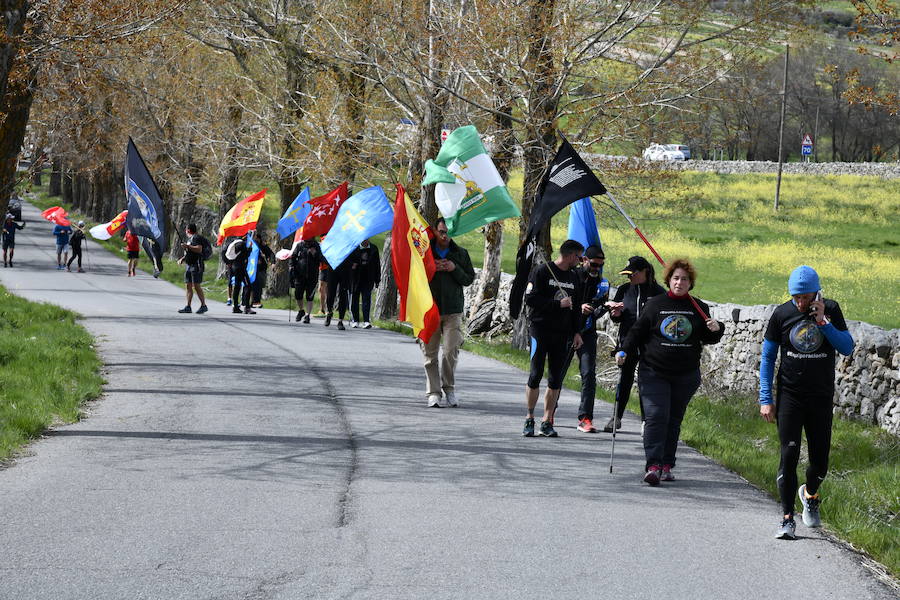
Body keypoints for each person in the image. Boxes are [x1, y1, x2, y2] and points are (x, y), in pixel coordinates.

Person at [759, 265, 854, 540]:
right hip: (790, 395)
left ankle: (810, 494)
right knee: (788, 455)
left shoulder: (831, 309)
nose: (801, 303)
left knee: (819, 462)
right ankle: (787, 519)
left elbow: (847, 347)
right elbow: (767, 358)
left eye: (806, 297)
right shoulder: (781, 314)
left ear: (817, 292)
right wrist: (766, 398)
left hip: (820, 397)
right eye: (796, 297)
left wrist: (823, 321)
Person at [617, 258, 723, 485]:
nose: (679, 282)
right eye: (676, 278)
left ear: (690, 283)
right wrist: (624, 350)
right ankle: (653, 465)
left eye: (684, 279)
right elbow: (636, 332)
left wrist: (717, 329)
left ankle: (667, 464)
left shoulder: (698, 307)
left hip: (685, 375)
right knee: (656, 416)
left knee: (673, 419)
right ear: (668, 280)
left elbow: (710, 338)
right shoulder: (655, 305)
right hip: (654, 371)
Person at [522, 239, 584, 437]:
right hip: (540, 330)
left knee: (555, 379)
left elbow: (576, 308)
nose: (580, 261)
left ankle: (547, 421)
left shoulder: (575, 278)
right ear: (571, 255)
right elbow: (530, 298)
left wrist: (577, 332)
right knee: (535, 374)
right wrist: (557, 304)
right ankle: (529, 417)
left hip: (562, 334)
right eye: (579, 256)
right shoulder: (542, 271)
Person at [605, 255, 666, 432]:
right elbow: (617, 318)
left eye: (632, 274)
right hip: (627, 344)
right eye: (628, 275)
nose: (629, 278)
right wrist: (616, 314)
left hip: (650, 346)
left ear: (645, 272)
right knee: (624, 380)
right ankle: (616, 418)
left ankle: (646, 421)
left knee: (646, 383)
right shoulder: (624, 290)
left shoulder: (659, 293)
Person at [423, 217, 474, 408]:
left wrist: (454, 269)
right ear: (435, 231)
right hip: (430, 309)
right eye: (441, 232)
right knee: (430, 354)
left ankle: (449, 388)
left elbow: (469, 278)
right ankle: (434, 393)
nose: (445, 236)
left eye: (448, 232)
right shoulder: (425, 251)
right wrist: (431, 268)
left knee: (450, 350)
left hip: (453, 310)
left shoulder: (460, 253)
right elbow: (416, 274)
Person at [573, 245, 611, 433]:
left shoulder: (603, 283)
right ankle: (549, 416)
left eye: (601, 265)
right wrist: (578, 307)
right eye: (595, 264)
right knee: (557, 375)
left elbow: (601, 307)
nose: (597, 268)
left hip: (587, 332)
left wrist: (599, 309)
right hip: (567, 330)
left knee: (588, 374)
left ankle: (585, 418)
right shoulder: (572, 277)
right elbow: (561, 301)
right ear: (584, 260)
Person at [177, 223, 209, 314]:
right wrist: (183, 259)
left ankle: (203, 305)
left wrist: (187, 246)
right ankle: (188, 306)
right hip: (189, 265)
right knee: (188, 285)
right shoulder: (190, 239)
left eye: (186, 230)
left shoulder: (196, 238)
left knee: (196, 285)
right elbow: (190, 252)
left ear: (188, 230)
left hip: (196, 265)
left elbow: (199, 249)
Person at [349, 238, 381, 328]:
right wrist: (353, 266)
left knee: (366, 299)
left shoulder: (374, 249)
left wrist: (377, 279)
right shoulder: (354, 248)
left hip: (368, 278)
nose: (365, 241)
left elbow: (377, 264)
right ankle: (355, 320)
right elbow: (349, 261)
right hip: (355, 278)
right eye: (363, 239)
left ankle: (366, 321)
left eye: (367, 239)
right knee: (354, 299)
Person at [289, 237, 321, 323]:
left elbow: (321, 259)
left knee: (310, 296)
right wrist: (291, 266)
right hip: (299, 275)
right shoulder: (300, 245)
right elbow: (293, 257)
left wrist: (314, 254)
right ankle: (301, 310)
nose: (307, 242)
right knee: (298, 294)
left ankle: (307, 315)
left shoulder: (316, 245)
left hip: (312, 275)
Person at [226, 234, 254, 314]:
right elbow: (246, 255)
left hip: (235, 267)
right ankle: (247, 307)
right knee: (248, 285)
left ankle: (235, 306)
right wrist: (250, 248)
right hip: (241, 267)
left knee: (237, 286)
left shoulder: (234, 243)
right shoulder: (242, 244)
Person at [250, 236, 276, 308]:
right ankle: (249, 301)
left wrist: (273, 263)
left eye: (257, 238)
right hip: (251, 269)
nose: (256, 239)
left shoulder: (262, 246)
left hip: (261, 269)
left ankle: (257, 301)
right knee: (251, 286)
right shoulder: (249, 244)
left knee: (259, 286)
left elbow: (271, 254)